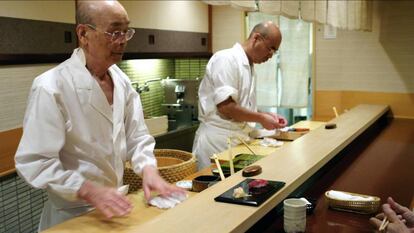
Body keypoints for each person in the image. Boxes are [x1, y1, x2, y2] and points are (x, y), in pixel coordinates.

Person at [14, 0, 183, 231]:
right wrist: (87, 190)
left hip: (116, 209)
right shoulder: (51, 86)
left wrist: (149, 170)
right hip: (72, 216)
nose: (122, 40)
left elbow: (138, 138)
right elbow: (35, 161)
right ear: (84, 34)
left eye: (126, 32)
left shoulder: (121, 81)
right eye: (114, 32)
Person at [192, 21, 288, 170]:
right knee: (215, 190)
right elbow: (226, 107)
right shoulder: (226, 59)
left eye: (274, 51)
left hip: (237, 140)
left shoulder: (249, 66)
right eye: (270, 48)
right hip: (217, 142)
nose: (271, 55)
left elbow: (241, 106)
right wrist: (261, 118)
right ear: (256, 38)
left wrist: (266, 115)